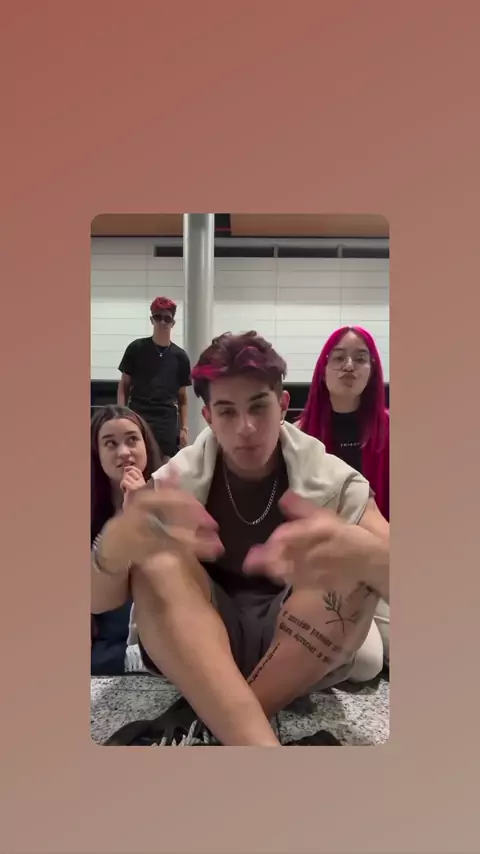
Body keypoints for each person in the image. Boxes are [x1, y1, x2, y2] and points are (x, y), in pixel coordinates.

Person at [91, 332, 389, 747]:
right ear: (208, 416)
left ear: (283, 405)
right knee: (155, 556)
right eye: (227, 411)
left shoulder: (335, 479)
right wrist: (113, 542)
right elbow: (98, 602)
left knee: (357, 551)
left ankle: (219, 722)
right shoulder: (172, 482)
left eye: (259, 407)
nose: (245, 427)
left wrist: (364, 553)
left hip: (295, 649)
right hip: (202, 641)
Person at [297, 325, 390, 663]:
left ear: (372, 370)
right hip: (325, 569)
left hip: (380, 560)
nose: (349, 366)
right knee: (367, 663)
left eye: (360, 358)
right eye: (338, 358)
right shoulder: (300, 436)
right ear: (323, 369)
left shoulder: (394, 432)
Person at [91, 405, 163, 675]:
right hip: (107, 619)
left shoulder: (169, 489)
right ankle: (130, 656)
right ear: (97, 453)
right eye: (110, 444)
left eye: (132, 439)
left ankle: (141, 652)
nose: (124, 452)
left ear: (146, 444)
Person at [117, 297, 191, 460]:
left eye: (167, 318)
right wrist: (121, 415)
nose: (162, 322)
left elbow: (183, 398)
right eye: (158, 317)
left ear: (173, 323)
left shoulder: (180, 357)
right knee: (137, 460)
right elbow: (124, 386)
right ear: (152, 320)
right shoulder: (136, 348)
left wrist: (184, 429)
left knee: (165, 466)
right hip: (138, 416)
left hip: (166, 422)